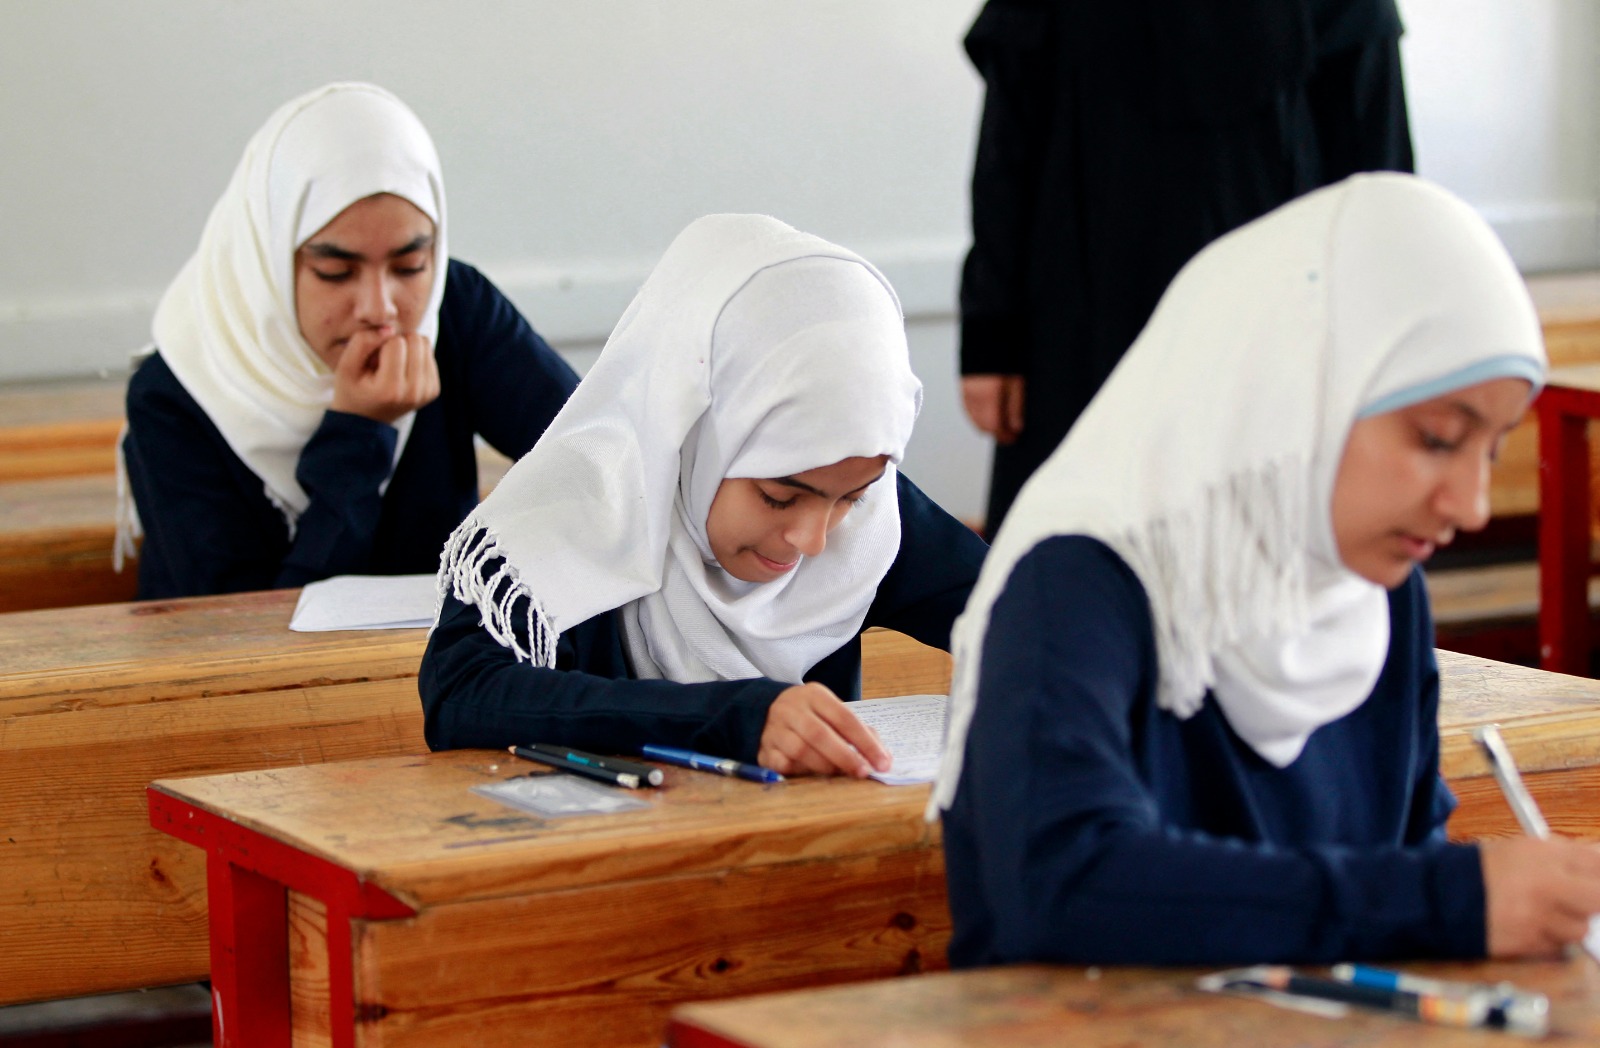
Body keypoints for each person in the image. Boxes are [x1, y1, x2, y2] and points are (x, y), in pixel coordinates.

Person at [933, 174, 1600, 966]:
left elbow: (1402, 868)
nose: (1473, 506)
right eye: (1437, 439)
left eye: (1491, 451)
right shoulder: (1081, 578)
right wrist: (1453, 900)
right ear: (1297, 391)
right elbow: (1059, 886)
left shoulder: (1379, 592)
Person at [420, 214, 987, 777]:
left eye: (852, 500)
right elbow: (462, 693)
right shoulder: (575, 511)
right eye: (778, 497)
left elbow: (1014, 615)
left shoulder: (858, 497)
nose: (813, 539)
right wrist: (731, 717)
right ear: (693, 433)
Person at [959, 0, 1415, 534]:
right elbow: (1008, 149)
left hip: (1277, 331)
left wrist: (1380, 353)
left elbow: (1377, 172)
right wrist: (990, 340)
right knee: (1077, 548)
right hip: (1077, 323)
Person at [121, 82, 578, 598]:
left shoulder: (452, 309)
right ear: (269, 263)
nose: (380, 309)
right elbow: (255, 629)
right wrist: (360, 434)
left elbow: (596, 455)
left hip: (437, 648)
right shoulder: (178, 395)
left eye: (410, 266)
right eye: (336, 272)